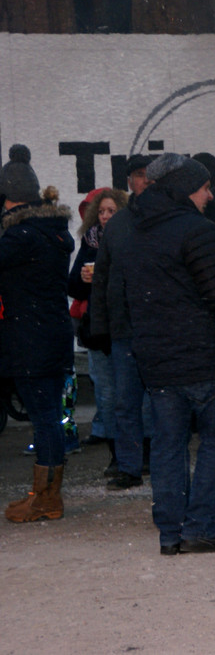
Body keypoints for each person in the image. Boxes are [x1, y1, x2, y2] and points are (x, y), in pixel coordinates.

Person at [123, 153, 215, 554]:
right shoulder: (197, 230)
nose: (209, 196)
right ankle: (199, 526)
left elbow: (126, 297)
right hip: (203, 357)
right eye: (203, 188)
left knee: (168, 444)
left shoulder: (134, 229)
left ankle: (170, 533)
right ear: (186, 189)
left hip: (158, 361)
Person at [1, 145, 76, 523]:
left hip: (28, 337)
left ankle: (46, 498)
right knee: (48, 414)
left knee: (43, 416)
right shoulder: (53, 232)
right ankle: (45, 494)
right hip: (51, 331)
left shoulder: (19, 238)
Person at [90, 157, 154, 489]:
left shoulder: (172, 217)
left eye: (149, 175)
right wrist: (99, 326)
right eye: (139, 176)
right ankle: (130, 467)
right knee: (126, 402)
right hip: (125, 328)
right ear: (129, 181)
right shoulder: (117, 225)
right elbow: (102, 279)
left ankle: (161, 464)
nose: (144, 181)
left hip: (161, 327)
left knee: (163, 403)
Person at [68, 187, 129, 486]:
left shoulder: (130, 240)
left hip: (124, 329)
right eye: (101, 211)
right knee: (106, 396)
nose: (104, 217)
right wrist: (83, 279)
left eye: (110, 211)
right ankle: (117, 458)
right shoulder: (89, 242)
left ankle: (135, 457)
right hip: (97, 331)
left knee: (129, 396)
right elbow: (73, 288)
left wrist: (103, 277)